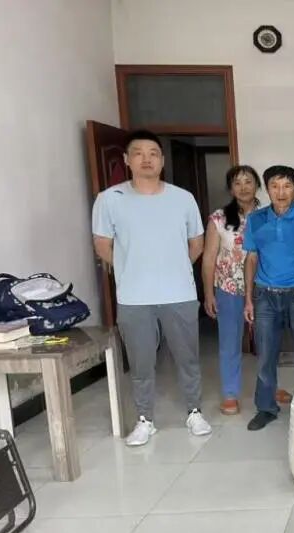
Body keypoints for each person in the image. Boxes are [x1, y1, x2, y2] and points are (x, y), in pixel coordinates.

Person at [92, 129, 212, 447]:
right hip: (134, 298)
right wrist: (132, 268)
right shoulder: (109, 199)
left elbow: (197, 243)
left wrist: (173, 267)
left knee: (188, 358)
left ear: (162, 160)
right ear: (126, 160)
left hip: (179, 294)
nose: (146, 159)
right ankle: (145, 419)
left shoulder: (182, 198)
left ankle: (194, 412)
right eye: (138, 153)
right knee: (141, 363)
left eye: (153, 153)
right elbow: (103, 245)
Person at [242, 165, 294, 431]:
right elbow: (251, 258)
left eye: (287, 186)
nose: (281, 192)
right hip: (265, 295)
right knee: (265, 355)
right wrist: (249, 298)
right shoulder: (256, 219)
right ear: (267, 189)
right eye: (274, 186)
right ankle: (266, 408)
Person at [202, 165, 262, 416]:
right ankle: (230, 393)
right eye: (237, 183)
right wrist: (208, 293)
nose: (243, 187)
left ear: (257, 185)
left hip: (263, 287)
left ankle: (269, 387)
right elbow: (209, 258)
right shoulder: (219, 219)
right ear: (230, 189)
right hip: (229, 288)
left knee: (268, 342)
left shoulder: (268, 215)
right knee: (230, 342)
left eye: (248, 182)